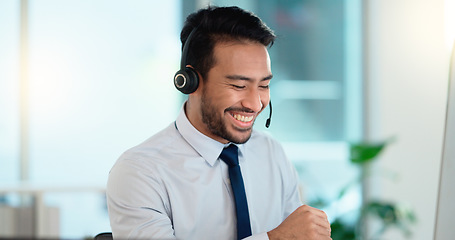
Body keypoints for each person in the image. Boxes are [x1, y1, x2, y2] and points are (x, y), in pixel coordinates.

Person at [106, 6, 331, 240]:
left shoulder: (270, 152)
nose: (255, 104)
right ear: (190, 82)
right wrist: (274, 238)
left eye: (263, 85)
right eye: (238, 86)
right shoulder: (140, 172)